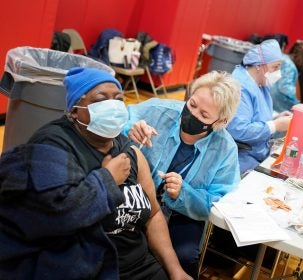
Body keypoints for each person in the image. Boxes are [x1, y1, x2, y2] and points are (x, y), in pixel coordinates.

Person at [0, 67, 192, 280]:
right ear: (74, 111)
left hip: (137, 264)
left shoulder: (130, 151)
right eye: (101, 99)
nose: (112, 105)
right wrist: (107, 180)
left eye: (118, 99)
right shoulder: (52, 146)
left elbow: (153, 214)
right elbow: (55, 218)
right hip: (85, 266)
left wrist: (176, 270)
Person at [124, 71, 241, 279]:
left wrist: (184, 194)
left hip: (183, 214)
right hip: (137, 197)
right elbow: (115, 120)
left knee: (185, 257)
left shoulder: (225, 149)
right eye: (192, 104)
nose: (193, 115)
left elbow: (222, 202)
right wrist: (129, 128)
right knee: (128, 243)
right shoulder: (157, 111)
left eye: (204, 115)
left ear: (220, 121)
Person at [226, 39, 292, 174]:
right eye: (275, 67)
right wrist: (276, 125)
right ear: (259, 66)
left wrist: (275, 116)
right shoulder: (240, 87)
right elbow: (238, 129)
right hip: (241, 159)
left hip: (258, 154)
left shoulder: (261, 83)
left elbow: (256, 111)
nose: (278, 73)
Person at [270, 41, 303, 113]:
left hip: (270, 96)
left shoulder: (283, 58)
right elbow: (285, 87)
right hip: (278, 102)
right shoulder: (289, 66)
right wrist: (300, 94)